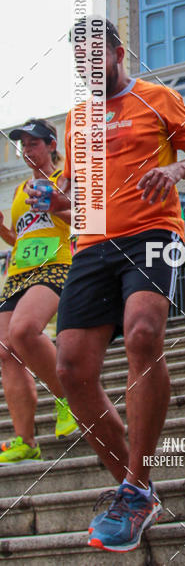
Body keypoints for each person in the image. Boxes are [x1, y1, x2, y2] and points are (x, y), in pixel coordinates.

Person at [44, 18, 185, 553]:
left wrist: (177, 172)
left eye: (95, 57)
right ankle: (136, 487)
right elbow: (76, 188)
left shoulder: (157, 97)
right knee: (71, 367)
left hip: (153, 231)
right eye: (79, 62)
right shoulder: (77, 119)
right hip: (92, 245)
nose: (88, 69)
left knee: (143, 334)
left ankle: (137, 485)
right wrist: (60, 200)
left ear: (120, 52)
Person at [0, 118, 78, 465]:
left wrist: (56, 205)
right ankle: (25, 440)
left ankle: (69, 398)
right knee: (5, 352)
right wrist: (2, 230)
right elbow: (22, 238)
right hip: (17, 272)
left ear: (51, 146)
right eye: (23, 144)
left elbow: (86, 218)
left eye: (34, 143)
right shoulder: (19, 191)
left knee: (24, 331)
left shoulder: (64, 180)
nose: (27, 149)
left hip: (56, 264)